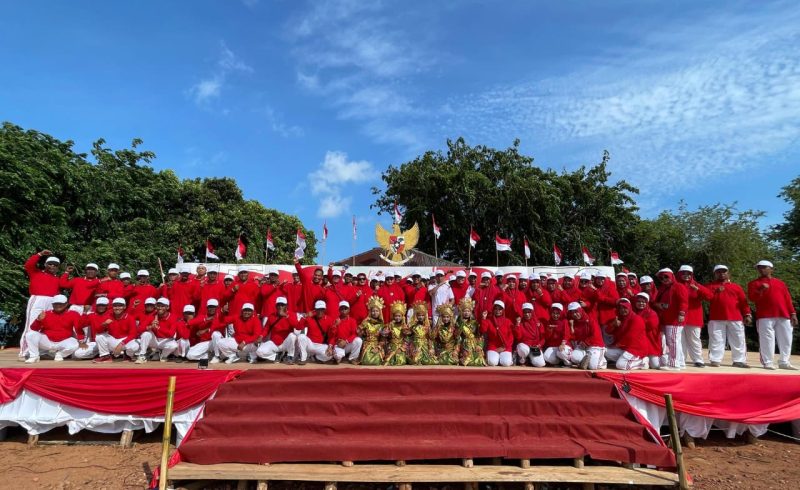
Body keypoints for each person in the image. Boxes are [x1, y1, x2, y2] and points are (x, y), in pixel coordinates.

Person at [747, 260, 798, 370]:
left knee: (786, 339)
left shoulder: (780, 283)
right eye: (759, 267)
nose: (761, 269)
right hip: (765, 316)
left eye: (764, 267)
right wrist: (760, 289)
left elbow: (787, 299)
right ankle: (768, 362)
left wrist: (793, 313)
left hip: (783, 315)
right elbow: (752, 298)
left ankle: (784, 361)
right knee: (767, 339)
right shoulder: (754, 283)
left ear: (771, 269)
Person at [705, 265, 752, 368]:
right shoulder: (710, 286)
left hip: (735, 317)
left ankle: (739, 360)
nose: (721, 273)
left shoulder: (736, 287)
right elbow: (705, 297)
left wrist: (747, 314)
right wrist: (715, 291)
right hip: (716, 317)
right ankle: (715, 359)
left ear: (728, 273)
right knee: (716, 339)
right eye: (718, 272)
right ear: (715, 274)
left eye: (724, 271)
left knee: (738, 339)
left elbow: (743, 302)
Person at [21, 250, 62, 357]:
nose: (52, 266)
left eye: (55, 265)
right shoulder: (36, 273)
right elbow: (28, 265)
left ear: (58, 267)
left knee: (46, 327)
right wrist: (40, 254)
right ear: (45, 264)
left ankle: (42, 351)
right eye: (50, 264)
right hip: (37, 299)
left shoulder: (57, 279)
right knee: (31, 326)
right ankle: (26, 352)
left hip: (52, 301)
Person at [25, 295, 81, 363]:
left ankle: (60, 354)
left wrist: (81, 340)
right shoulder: (46, 313)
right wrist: (38, 320)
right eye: (55, 304)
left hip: (63, 341)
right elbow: (34, 328)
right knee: (30, 334)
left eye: (61, 304)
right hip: (47, 341)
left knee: (75, 344)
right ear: (52, 304)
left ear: (66, 304)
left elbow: (79, 328)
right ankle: (34, 356)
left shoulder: (73, 314)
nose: (58, 305)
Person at [677, 265, 713, 367]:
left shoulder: (695, 285)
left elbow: (710, 296)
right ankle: (681, 359)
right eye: (683, 273)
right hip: (678, 317)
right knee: (680, 340)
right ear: (679, 274)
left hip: (694, 318)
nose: (686, 275)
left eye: (688, 273)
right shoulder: (675, 285)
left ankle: (698, 360)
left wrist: (698, 289)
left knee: (694, 339)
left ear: (692, 275)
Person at [654, 268, 689, 371]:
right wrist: (659, 305)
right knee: (675, 341)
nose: (664, 279)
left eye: (666, 276)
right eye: (662, 278)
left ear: (671, 276)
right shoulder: (664, 288)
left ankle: (674, 364)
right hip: (667, 318)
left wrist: (681, 313)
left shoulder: (678, 287)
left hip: (674, 319)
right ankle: (681, 362)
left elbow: (684, 302)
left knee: (673, 341)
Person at [257, 297, 304, 363]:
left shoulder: (291, 314)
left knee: (292, 335)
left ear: (286, 306)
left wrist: (286, 316)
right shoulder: (272, 316)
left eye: (282, 305)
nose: (280, 307)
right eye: (278, 305)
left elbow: (298, 327)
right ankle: (276, 356)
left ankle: (290, 356)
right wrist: (261, 336)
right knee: (259, 352)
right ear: (276, 306)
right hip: (274, 343)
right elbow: (266, 329)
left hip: (285, 343)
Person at [604, 299, 648, 370]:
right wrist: (613, 325)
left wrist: (618, 344)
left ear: (629, 308)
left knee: (620, 365)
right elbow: (607, 331)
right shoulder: (619, 318)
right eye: (620, 308)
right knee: (604, 351)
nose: (622, 310)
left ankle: (642, 362)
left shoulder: (636, 319)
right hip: (624, 348)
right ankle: (628, 360)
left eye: (625, 308)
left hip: (636, 349)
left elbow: (631, 336)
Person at [93, 297, 139, 363]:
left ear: (124, 307)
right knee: (99, 336)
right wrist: (104, 324)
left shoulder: (130, 318)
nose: (117, 308)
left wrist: (121, 344)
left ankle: (128, 355)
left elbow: (133, 334)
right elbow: (98, 330)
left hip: (125, 341)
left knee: (135, 346)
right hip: (113, 340)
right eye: (115, 306)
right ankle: (106, 356)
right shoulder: (108, 315)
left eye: (120, 306)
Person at [135, 298, 178, 363]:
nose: (160, 308)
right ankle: (142, 355)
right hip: (154, 340)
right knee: (146, 334)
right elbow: (139, 329)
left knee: (174, 345)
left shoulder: (173, 317)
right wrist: (150, 327)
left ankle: (163, 355)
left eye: (162, 306)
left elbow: (171, 334)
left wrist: (158, 328)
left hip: (165, 340)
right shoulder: (152, 315)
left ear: (167, 307)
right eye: (158, 306)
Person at [566, 302, 605, 370]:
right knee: (573, 357)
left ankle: (603, 362)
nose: (575, 314)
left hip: (595, 345)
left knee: (593, 367)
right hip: (583, 346)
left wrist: (585, 342)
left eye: (576, 312)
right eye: (572, 313)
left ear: (580, 310)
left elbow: (595, 335)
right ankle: (588, 357)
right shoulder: (574, 322)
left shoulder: (591, 319)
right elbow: (574, 336)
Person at [480, 300, 514, 367]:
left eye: (500, 309)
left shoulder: (508, 321)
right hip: (493, 347)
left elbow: (511, 337)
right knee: (492, 363)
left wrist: (504, 347)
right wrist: (483, 318)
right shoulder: (489, 320)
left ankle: (507, 359)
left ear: (503, 310)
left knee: (506, 363)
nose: (497, 311)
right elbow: (483, 330)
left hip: (505, 347)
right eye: (496, 309)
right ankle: (496, 358)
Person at [633, 292, 663, 369]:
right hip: (638, 344)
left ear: (647, 303)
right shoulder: (633, 313)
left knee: (655, 365)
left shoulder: (652, 313)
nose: (641, 304)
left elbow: (651, 325)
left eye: (643, 302)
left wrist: (637, 324)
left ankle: (665, 357)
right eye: (638, 302)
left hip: (651, 343)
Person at [456, 298, 485, 366]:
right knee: (467, 359)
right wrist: (462, 325)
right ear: (461, 312)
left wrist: (479, 345)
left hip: (474, 343)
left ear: (471, 312)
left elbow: (479, 335)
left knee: (479, 359)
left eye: (468, 311)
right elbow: (456, 335)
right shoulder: (458, 322)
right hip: (464, 343)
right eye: (464, 311)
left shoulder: (474, 322)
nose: (466, 313)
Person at [358, 296, 386, 365]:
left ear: (379, 312)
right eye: (373, 311)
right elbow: (359, 333)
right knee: (366, 361)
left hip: (377, 345)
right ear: (370, 312)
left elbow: (383, 340)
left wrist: (378, 348)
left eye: (377, 311)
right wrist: (362, 324)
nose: (375, 313)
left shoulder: (382, 325)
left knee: (377, 361)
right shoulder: (366, 323)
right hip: (367, 345)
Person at [383, 301, 410, 366]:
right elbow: (384, 335)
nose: (397, 318)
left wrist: (402, 348)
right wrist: (386, 332)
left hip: (401, 347)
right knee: (388, 360)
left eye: (399, 316)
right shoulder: (390, 325)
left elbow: (407, 340)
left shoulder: (405, 326)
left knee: (400, 361)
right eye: (396, 316)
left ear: (402, 316)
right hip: (392, 346)